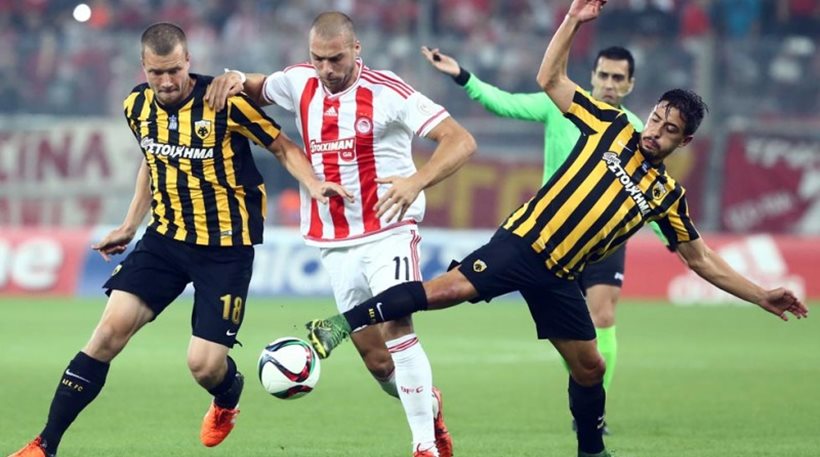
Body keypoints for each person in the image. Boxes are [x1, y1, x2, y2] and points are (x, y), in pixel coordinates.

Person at [304, 1, 809, 456]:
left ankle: (592, 451)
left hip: (561, 276)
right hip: (524, 243)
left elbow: (701, 260)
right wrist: (572, 20)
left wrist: (761, 294)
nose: (655, 131)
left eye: (669, 129)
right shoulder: (611, 124)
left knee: (591, 368)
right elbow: (550, 79)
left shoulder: (666, 196)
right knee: (444, 291)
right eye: (656, 119)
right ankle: (340, 325)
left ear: (686, 141)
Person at [8, 22, 350, 457]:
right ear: (143, 68)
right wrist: (129, 225)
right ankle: (45, 445)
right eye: (157, 72)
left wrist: (314, 185)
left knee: (203, 366)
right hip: (165, 241)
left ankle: (228, 394)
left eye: (174, 70)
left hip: (225, 249)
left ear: (188, 61)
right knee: (107, 334)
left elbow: (282, 147)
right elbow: (151, 160)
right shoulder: (136, 105)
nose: (167, 81)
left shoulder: (223, 102)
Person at [204, 11, 476, 457]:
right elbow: (258, 85)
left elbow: (460, 140)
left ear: (356, 50)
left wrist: (416, 182)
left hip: (389, 229)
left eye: (335, 59)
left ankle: (424, 445)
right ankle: (429, 409)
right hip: (333, 240)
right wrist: (233, 77)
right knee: (377, 361)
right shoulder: (300, 82)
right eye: (318, 59)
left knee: (397, 324)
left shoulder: (388, 91)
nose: (326, 69)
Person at [421, 43, 665, 432]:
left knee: (603, 315)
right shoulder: (561, 106)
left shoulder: (637, 131)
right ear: (592, 76)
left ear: (630, 85)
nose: (609, 83)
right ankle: (584, 397)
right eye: (603, 75)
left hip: (604, 240)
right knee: (572, 337)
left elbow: (652, 194)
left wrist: (673, 239)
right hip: (553, 237)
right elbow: (504, 103)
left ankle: (595, 418)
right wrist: (462, 76)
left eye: (618, 78)